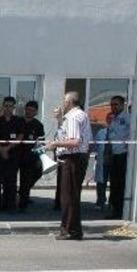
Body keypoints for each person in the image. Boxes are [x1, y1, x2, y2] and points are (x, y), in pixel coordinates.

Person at [45, 91, 92, 240]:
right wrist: (59, 120)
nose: (63, 103)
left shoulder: (73, 117)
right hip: (74, 158)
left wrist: (55, 144)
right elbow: (65, 133)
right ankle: (70, 228)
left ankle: (71, 230)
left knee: (69, 196)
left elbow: (74, 141)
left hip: (73, 159)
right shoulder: (76, 116)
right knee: (69, 195)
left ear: (70, 102)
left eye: (65, 101)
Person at [0, 97, 24, 211]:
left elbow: (20, 137)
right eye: (6, 106)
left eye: (10, 106)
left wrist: (7, 148)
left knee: (10, 182)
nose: (8, 108)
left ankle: (10, 206)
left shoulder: (18, 121)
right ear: (2, 107)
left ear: (14, 108)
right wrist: (1, 150)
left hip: (12, 156)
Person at [18, 100, 46, 212]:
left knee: (31, 177)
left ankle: (23, 202)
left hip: (30, 157)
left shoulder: (38, 125)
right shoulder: (18, 121)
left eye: (32, 110)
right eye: (28, 109)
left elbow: (41, 143)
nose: (29, 112)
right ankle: (12, 200)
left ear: (36, 112)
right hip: (15, 155)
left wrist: (40, 157)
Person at [107, 96, 131, 219]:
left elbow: (131, 134)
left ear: (122, 105)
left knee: (120, 184)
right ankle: (115, 209)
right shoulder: (113, 119)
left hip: (123, 155)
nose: (113, 107)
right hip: (114, 154)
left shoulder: (127, 118)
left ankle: (120, 211)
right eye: (112, 105)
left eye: (116, 104)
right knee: (114, 184)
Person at [93, 113, 113, 209]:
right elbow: (96, 146)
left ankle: (112, 202)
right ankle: (100, 201)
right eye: (109, 118)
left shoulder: (118, 132)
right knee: (101, 183)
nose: (111, 120)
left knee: (114, 183)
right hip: (103, 160)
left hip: (114, 161)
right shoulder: (101, 132)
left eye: (113, 119)